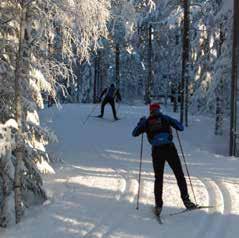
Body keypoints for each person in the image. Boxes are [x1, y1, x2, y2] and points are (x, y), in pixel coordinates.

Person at [132, 103, 197, 216]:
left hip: (157, 152)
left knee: (158, 178)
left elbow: (134, 133)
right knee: (179, 175)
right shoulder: (165, 118)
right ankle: (186, 201)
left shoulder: (147, 122)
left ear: (150, 111)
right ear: (159, 110)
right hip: (170, 149)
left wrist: (141, 123)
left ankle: (158, 206)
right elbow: (180, 127)